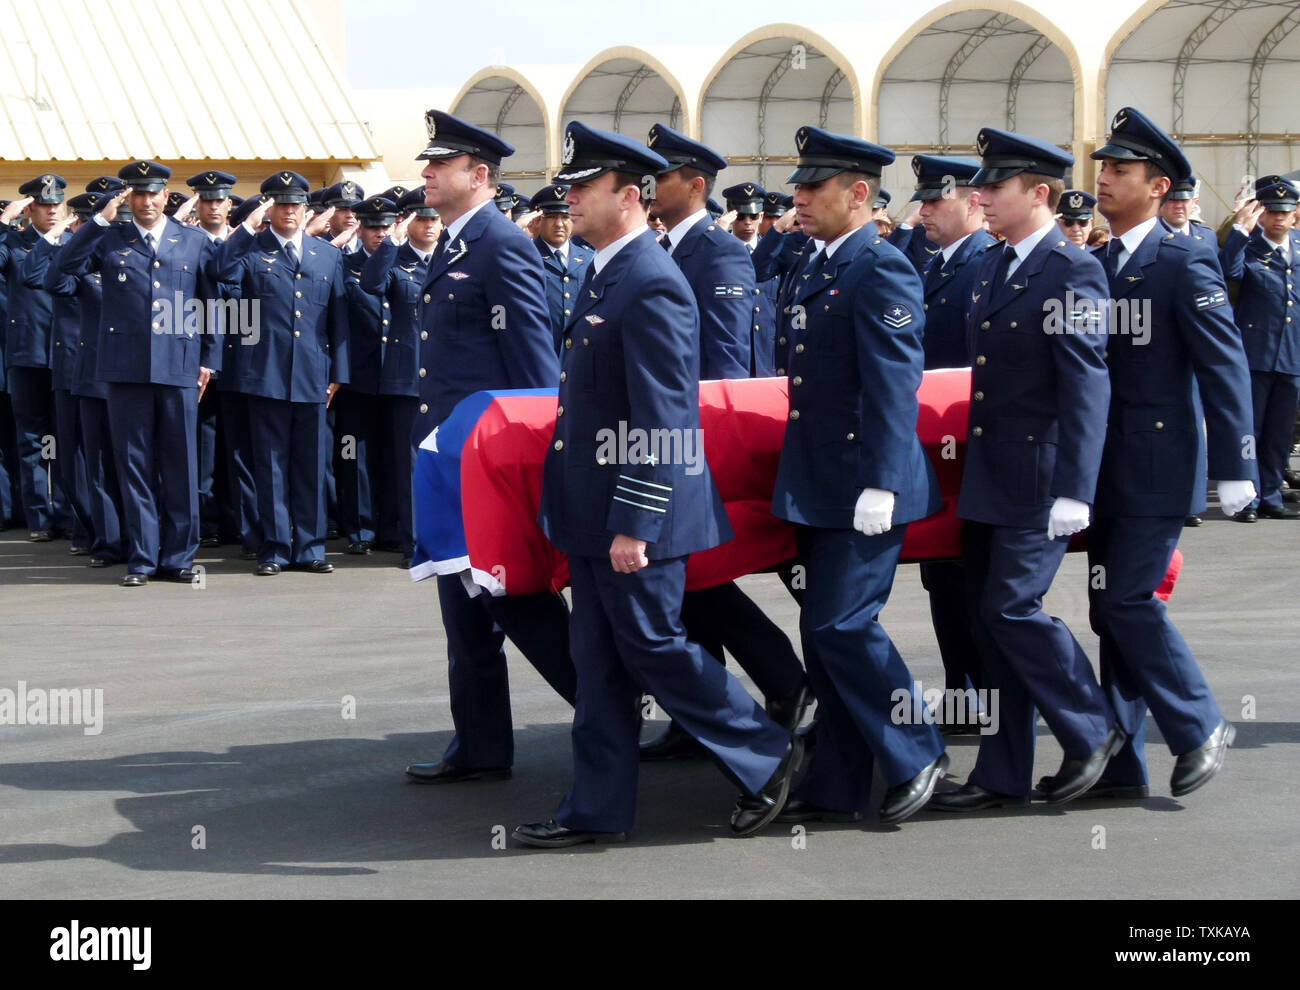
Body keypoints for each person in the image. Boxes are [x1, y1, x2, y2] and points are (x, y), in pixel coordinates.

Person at [516, 121, 802, 848]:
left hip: (635, 514)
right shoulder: (609, 269)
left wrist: (636, 522)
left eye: (584, 186)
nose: (568, 197)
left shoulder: (649, 281)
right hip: (594, 510)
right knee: (601, 661)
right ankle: (596, 808)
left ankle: (767, 755)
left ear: (630, 194)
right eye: (569, 185)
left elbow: (667, 416)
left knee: (654, 646)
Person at [756, 125, 948, 826]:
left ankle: (919, 749)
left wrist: (885, 482)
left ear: (858, 193)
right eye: (798, 186)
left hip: (867, 484)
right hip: (819, 481)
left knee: (841, 624)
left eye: (813, 187)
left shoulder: (882, 267)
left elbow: (895, 386)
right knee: (820, 633)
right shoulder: (816, 263)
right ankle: (839, 778)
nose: (797, 198)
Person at [1063, 106, 1257, 799]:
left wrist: (1238, 466)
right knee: (1104, 610)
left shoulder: (1183, 258)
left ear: (1158, 186)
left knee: (1129, 602)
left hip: (1159, 464)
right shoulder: (1095, 261)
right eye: (1104, 168)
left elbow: (1224, 365)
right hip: (1105, 469)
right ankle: (1123, 765)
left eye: (1120, 171)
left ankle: (1199, 722)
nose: (1104, 180)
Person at [929, 128, 1120, 811]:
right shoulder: (995, 264)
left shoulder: (1072, 270)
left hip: (1039, 479)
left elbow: (1085, 385)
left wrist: (1076, 487)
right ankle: (1001, 772)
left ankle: (1094, 728)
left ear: (1039, 193)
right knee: (988, 619)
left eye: (995, 185)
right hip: (991, 475)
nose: (980, 195)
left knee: (1012, 608)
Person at [401, 109, 577, 785]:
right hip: (455, 468)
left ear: (477, 176)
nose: (425, 174)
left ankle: (609, 714)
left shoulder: (502, 246)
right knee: (467, 613)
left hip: (490, 472)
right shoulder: (456, 243)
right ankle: (479, 744)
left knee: (521, 608)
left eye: (438, 166)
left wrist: (529, 470)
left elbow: (534, 372)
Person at [639, 124, 809, 761]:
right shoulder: (673, 248)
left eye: (663, 176)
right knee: (686, 584)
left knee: (696, 579)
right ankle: (703, 711)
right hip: (670, 440)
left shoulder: (718, 252)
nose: (651, 185)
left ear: (696, 186)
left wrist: (707, 451)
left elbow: (726, 366)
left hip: (698, 442)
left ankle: (783, 678)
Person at [54, 161, 221, 586]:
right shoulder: (110, 239)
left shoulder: (193, 240)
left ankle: (179, 557)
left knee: (181, 465)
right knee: (135, 466)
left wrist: (209, 360)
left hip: (180, 368)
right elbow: (59, 272)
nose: (146, 202)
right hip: (125, 370)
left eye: (153, 194)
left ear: (166, 196)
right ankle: (143, 557)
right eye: (138, 194)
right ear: (127, 198)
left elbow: (212, 302)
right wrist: (96, 221)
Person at [215, 171, 349, 575]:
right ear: (269, 207)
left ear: (307, 209)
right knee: (270, 466)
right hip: (265, 373)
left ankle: (310, 547)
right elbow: (221, 272)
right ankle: (274, 548)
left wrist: (338, 371)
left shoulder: (327, 254)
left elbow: (338, 320)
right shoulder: (250, 250)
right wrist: (244, 229)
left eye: (295, 204)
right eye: (280, 203)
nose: (288, 211)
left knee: (310, 463)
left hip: (312, 374)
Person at [909, 154, 999, 729]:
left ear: (972, 202)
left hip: (971, 450)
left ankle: (989, 698)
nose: (922, 215)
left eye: (934, 202)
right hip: (938, 453)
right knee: (944, 581)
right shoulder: (934, 264)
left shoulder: (985, 265)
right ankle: (964, 694)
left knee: (976, 587)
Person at [358, 188, 439, 567]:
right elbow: (371, 283)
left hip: (446, 379)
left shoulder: (450, 258)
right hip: (406, 379)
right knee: (409, 469)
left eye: (434, 218)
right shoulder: (396, 259)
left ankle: (450, 539)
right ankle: (415, 544)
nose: (429, 225)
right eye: (421, 219)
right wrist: (392, 239)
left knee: (448, 463)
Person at [1219, 174, 1300, 520]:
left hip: (1292, 354)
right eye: (1272, 211)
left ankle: (1270, 496)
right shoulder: (1250, 247)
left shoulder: (1297, 247)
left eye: (1285, 211)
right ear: (1261, 214)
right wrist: (1240, 230)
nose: (1278, 218)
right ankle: (1247, 500)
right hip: (1255, 353)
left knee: (1279, 434)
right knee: (1249, 432)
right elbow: (1228, 271)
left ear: (1294, 214)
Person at [0, 174, 73, 540]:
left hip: (64, 356)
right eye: (44, 204)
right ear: (29, 208)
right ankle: (39, 518)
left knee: (60, 438)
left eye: (56, 203)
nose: (51, 210)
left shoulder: (74, 242)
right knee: (31, 438)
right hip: (27, 355)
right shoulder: (13, 242)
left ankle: (64, 511)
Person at [722, 181, 778, 377]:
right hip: (731, 359)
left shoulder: (776, 254)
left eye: (753, 216)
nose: (747, 222)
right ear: (730, 217)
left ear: (761, 216)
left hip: (767, 358)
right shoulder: (717, 254)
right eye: (740, 216)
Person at [526, 183, 590, 354]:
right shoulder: (526, 258)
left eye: (565, 216)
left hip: (580, 355)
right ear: (538, 219)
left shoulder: (589, 258)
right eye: (552, 217)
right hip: (540, 353)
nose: (559, 224)